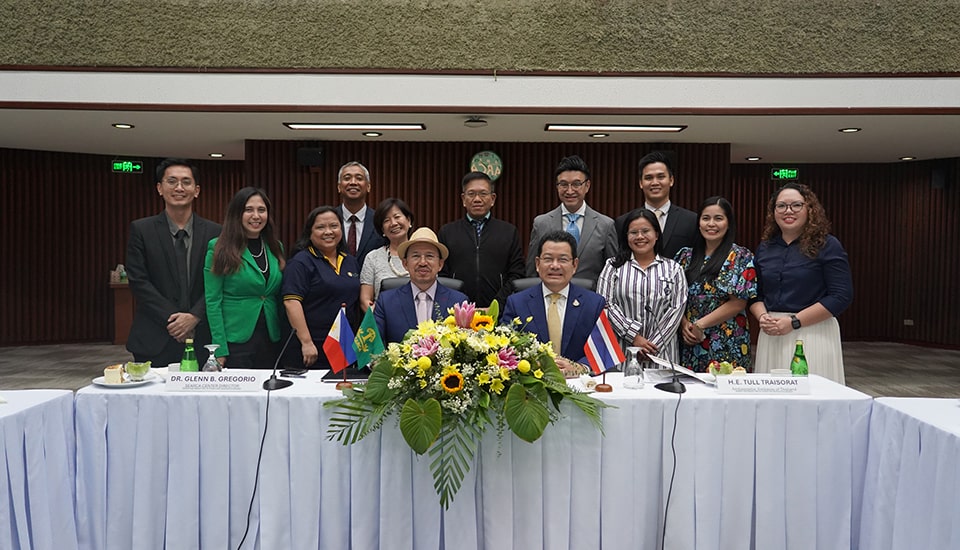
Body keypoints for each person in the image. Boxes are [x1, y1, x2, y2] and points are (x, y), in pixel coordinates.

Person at [749, 183, 853, 383]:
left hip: (812, 333)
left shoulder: (827, 245)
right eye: (781, 206)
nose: (788, 211)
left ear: (809, 209)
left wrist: (794, 322)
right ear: (773, 212)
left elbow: (841, 296)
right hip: (772, 333)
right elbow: (754, 293)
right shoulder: (765, 248)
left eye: (796, 205)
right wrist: (762, 316)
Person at [126, 158, 221, 366]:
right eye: (172, 181)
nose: (179, 187)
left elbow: (220, 282)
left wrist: (194, 316)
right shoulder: (142, 230)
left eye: (186, 182)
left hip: (203, 337)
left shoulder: (215, 232)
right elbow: (139, 282)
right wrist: (175, 320)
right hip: (154, 337)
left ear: (196, 190)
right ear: (160, 188)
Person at [204, 187, 285, 368]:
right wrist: (220, 348)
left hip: (271, 336)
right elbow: (213, 301)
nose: (256, 216)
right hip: (235, 339)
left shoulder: (275, 247)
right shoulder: (218, 247)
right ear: (237, 213)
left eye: (261, 210)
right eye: (248, 210)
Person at [504, 231, 606, 375]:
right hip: (532, 385)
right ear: (538, 264)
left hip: (579, 384)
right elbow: (506, 348)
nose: (555, 266)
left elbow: (602, 349)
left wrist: (579, 368)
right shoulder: (516, 303)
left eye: (563, 260)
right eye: (548, 259)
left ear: (575, 265)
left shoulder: (594, 303)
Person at [676, 197, 758, 372]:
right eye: (706, 218)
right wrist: (685, 326)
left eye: (718, 218)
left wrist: (700, 325)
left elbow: (738, 303)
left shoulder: (740, 256)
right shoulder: (685, 257)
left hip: (727, 341)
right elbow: (675, 299)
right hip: (690, 339)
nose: (711, 224)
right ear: (698, 223)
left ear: (728, 223)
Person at [598, 208, 686, 365]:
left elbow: (676, 309)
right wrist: (634, 337)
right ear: (626, 237)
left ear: (657, 234)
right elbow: (605, 305)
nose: (640, 237)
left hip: (662, 354)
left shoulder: (673, 268)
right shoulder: (612, 266)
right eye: (633, 232)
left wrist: (651, 346)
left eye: (646, 231)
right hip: (622, 352)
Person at [282, 206, 361, 368]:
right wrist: (306, 342)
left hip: (344, 346)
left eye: (334, 226)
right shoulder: (301, 262)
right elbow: (291, 303)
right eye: (320, 227)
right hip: (313, 348)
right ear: (310, 233)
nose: (328, 232)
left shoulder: (350, 261)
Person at [438, 171, 524, 308]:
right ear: (463, 199)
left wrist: (498, 304)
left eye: (483, 194)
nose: (477, 199)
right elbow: (442, 274)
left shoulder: (508, 231)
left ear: (493, 198)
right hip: (457, 309)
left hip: (499, 310)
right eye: (471, 194)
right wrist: (458, 302)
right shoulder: (447, 232)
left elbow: (517, 273)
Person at [526, 155, 618, 282]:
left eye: (576, 184)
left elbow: (612, 272)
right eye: (563, 184)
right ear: (557, 186)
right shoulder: (541, 223)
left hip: (591, 298)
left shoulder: (606, 225)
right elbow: (532, 271)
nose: (569, 191)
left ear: (587, 186)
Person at [374, 227, 469, 344]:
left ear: (440, 264)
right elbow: (372, 351)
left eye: (429, 256)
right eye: (416, 256)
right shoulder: (386, 302)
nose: (423, 263)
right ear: (405, 264)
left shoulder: (458, 302)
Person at [616, 151, 698, 260]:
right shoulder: (622, 222)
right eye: (649, 178)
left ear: (671, 180)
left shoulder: (691, 220)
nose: (655, 182)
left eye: (660, 177)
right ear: (641, 183)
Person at [359, 198, 414, 311]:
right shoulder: (373, 258)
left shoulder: (423, 255)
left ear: (408, 221)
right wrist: (381, 319)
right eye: (386, 220)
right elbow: (365, 300)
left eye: (397, 217)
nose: (393, 223)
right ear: (382, 230)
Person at [337, 161, 387, 269]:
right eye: (347, 178)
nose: (353, 182)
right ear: (339, 187)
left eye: (359, 178)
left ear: (368, 187)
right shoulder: (328, 220)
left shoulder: (380, 220)